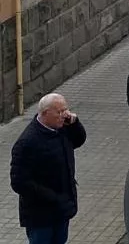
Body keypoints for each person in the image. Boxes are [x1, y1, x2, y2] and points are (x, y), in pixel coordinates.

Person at [10, 93, 87, 244]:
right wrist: (52, 197)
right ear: (45, 113)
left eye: (66, 110)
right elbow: (19, 182)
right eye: (59, 112)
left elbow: (78, 140)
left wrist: (75, 123)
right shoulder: (27, 142)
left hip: (62, 207)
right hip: (40, 214)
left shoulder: (62, 127)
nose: (64, 115)